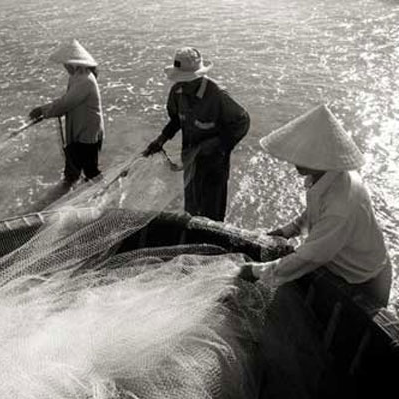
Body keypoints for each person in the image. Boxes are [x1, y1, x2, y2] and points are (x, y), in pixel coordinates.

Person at [239, 104, 391, 307]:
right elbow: (314, 212)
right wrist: (287, 231)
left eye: (304, 156)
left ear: (322, 159)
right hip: (339, 264)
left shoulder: (341, 207)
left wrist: (256, 271)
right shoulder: (330, 175)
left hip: (364, 280)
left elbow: (309, 257)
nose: (295, 161)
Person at [143, 47, 250, 221]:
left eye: (186, 81)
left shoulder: (218, 95)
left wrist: (217, 144)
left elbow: (242, 121)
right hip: (191, 160)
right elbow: (177, 120)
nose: (182, 85)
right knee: (192, 206)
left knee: (213, 209)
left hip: (215, 163)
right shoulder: (177, 92)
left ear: (198, 77)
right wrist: (161, 140)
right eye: (180, 80)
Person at [29, 39, 104, 183]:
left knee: (90, 171)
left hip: (87, 133)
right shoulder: (79, 77)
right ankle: (78, 197)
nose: (65, 67)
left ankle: (101, 198)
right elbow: (67, 101)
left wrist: (42, 110)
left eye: (66, 64)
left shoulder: (84, 80)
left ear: (74, 63)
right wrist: (46, 111)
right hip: (83, 130)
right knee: (74, 170)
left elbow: (65, 103)